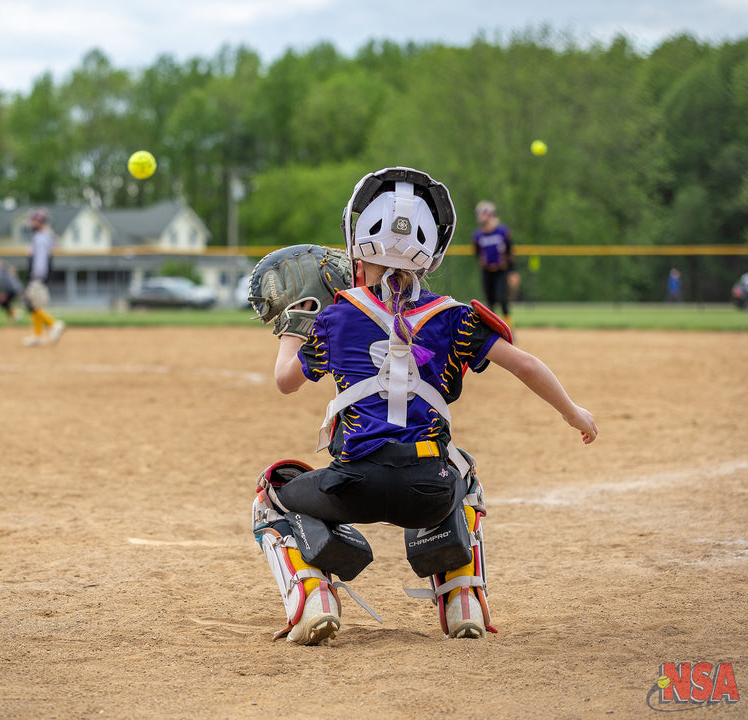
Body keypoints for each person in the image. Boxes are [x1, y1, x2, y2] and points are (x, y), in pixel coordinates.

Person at [253, 167, 597, 645]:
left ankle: (314, 596)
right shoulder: (454, 316)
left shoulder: (338, 315)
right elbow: (525, 365)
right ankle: (462, 602)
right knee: (465, 475)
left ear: (356, 243)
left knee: (271, 495)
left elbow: (285, 381)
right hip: (428, 491)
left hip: (353, 487)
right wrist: (573, 412)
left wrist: (296, 325)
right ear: (432, 252)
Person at [21, 209, 66, 347]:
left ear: (40, 222)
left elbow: (40, 259)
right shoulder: (45, 236)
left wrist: (37, 276)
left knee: (32, 304)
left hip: (38, 275)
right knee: (34, 305)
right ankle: (38, 335)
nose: (31, 223)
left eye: (34, 220)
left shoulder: (41, 237)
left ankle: (54, 324)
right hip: (40, 275)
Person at [472, 200, 514, 327]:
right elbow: (477, 253)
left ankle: (509, 327)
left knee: (503, 299)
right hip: (487, 271)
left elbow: (510, 252)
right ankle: (494, 330)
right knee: (490, 302)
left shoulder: (502, 231)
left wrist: (512, 271)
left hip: (501, 271)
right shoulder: (478, 235)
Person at [0, 258, 28, 323]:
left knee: (3, 302)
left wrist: (17, 290)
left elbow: (11, 282)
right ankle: (14, 314)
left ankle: (15, 313)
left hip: (12, 289)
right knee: (2, 303)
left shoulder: (4, 271)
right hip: (9, 290)